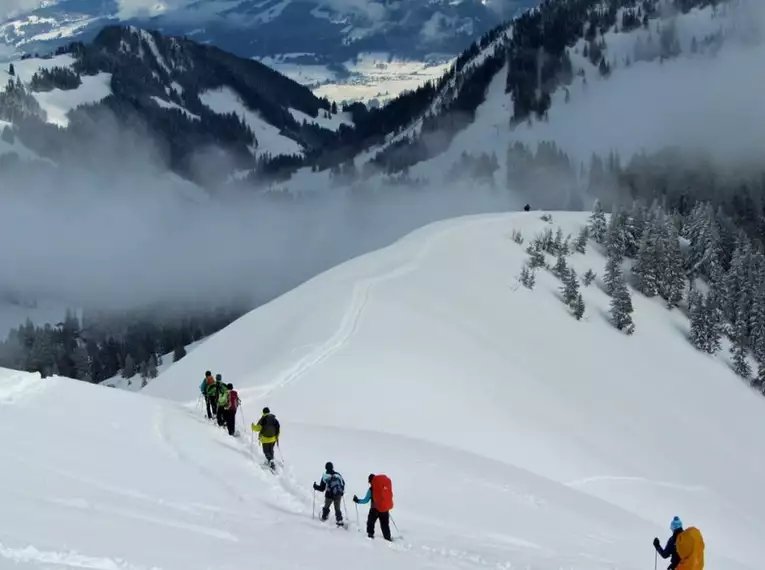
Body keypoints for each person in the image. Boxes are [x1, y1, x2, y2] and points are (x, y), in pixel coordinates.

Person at [353, 473, 393, 541]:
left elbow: (365, 500)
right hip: (384, 509)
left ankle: (370, 535)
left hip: (375, 510)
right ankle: (387, 538)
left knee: (370, 522)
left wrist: (357, 500)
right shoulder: (383, 488)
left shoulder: (371, 489)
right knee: (385, 525)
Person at [312, 461, 345, 526]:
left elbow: (322, 488)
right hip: (338, 494)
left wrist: (315, 486)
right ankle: (339, 520)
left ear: (326, 468)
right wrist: (341, 492)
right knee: (337, 508)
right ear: (332, 467)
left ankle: (324, 517)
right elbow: (343, 483)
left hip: (329, 494)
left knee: (326, 507)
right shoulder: (337, 475)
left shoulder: (325, 476)